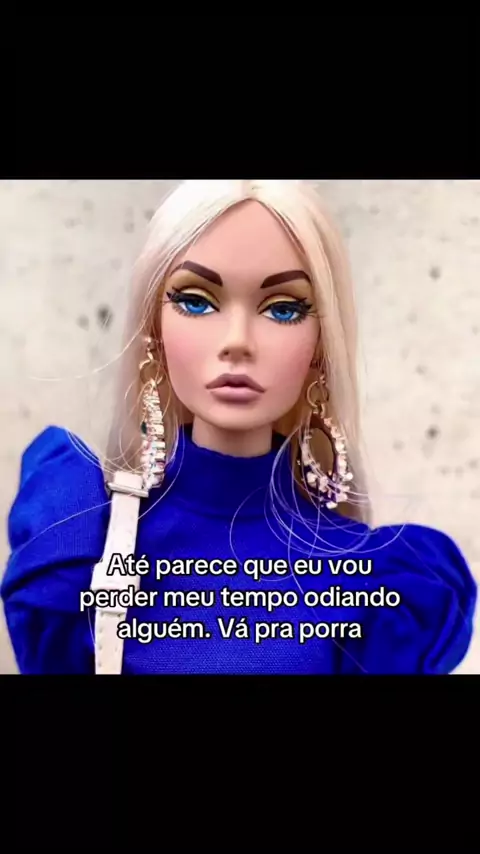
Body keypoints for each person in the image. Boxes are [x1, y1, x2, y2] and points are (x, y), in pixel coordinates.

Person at [1, 179, 476, 674]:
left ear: (320, 346)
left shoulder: (372, 582)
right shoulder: (80, 539)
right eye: (196, 301)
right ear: (154, 330)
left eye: (284, 309)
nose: (237, 341)